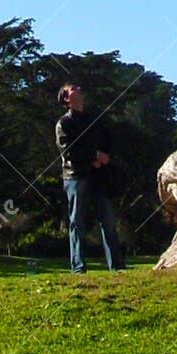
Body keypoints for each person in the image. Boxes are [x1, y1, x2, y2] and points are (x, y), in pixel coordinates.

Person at [55, 83, 125, 274]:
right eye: (73, 88)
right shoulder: (64, 123)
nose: (79, 89)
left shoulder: (94, 120)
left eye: (79, 87)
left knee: (108, 220)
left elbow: (108, 139)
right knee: (77, 223)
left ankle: (117, 266)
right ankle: (78, 267)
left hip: (97, 176)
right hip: (75, 177)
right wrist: (94, 157)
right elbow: (69, 151)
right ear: (66, 99)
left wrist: (105, 156)